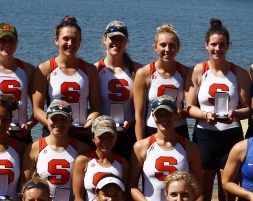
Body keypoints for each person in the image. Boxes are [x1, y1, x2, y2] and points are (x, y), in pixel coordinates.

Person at [186, 18, 252, 201]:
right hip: (204, 136)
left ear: (228, 47)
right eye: (213, 44)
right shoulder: (198, 71)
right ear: (206, 45)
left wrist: (236, 114)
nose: (217, 49)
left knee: (227, 196)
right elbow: (189, 107)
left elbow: (248, 109)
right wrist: (205, 115)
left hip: (230, 136)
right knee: (201, 198)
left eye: (222, 45)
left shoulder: (239, 73)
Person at [129, 96, 203, 201]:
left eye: (167, 113)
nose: (163, 118)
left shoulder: (190, 148)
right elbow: (132, 186)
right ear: (153, 116)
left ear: (176, 115)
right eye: (159, 114)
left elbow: (199, 186)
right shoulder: (141, 147)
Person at [32, 15, 101, 146]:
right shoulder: (45, 69)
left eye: (75, 39)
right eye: (66, 39)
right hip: (54, 133)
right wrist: (57, 126)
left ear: (80, 42)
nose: (70, 43)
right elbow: (37, 110)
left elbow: (96, 106)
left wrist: (90, 122)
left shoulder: (90, 70)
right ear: (56, 40)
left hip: (82, 133)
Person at [21, 100, 91, 201]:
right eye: (54, 118)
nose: (59, 123)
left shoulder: (82, 148)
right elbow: (24, 184)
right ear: (47, 120)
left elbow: (86, 186)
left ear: (70, 121)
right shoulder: (35, 147)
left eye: (63, 119)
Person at [133, 24, 191, 141]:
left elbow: (192, 107)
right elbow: (139, 115)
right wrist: (140, 143)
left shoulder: (186, 72)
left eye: (172, 46)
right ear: (155, 47)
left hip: (178, 129)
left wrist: (182, 112)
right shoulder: (143, 73)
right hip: (152, 129)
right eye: (163, 45)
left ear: (178, 48)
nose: (167, 50)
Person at [96, 21, 141, 160]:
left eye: (120, 39)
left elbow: (144, 105)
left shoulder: (137, 70)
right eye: (112, 38)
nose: (116, 42)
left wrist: (132, 119)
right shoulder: (95, 70)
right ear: (105, 39)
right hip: (102, 134)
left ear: (126, 41)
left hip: (128, 133)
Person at [72, 116, 130, 201]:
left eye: (109, 136)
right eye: (101, 136)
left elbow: (125, 197)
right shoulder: (82, 161)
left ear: (116, 137)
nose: (105, 141)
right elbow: (77, 197)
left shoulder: (123, 163)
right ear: (93, 138)